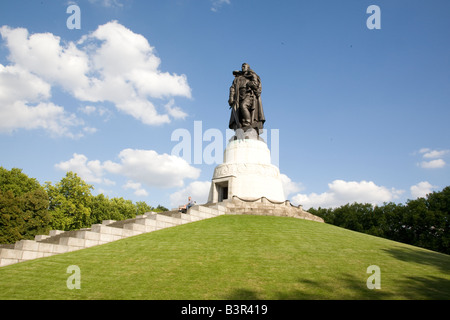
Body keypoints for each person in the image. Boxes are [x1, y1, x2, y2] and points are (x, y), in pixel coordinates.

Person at [228, 63, 265, 134]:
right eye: (242, 66)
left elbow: (256, 85)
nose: (242, 67)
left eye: (244, 66)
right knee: (239, 113)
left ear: (248, 67)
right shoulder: (237, 78)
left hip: (249, 95)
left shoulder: (251, 75)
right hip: (239, 96)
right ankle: (242, 126)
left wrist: (251, 84)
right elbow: (232, 88)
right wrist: (231, 98)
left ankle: (247, 123)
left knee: (243, 106)